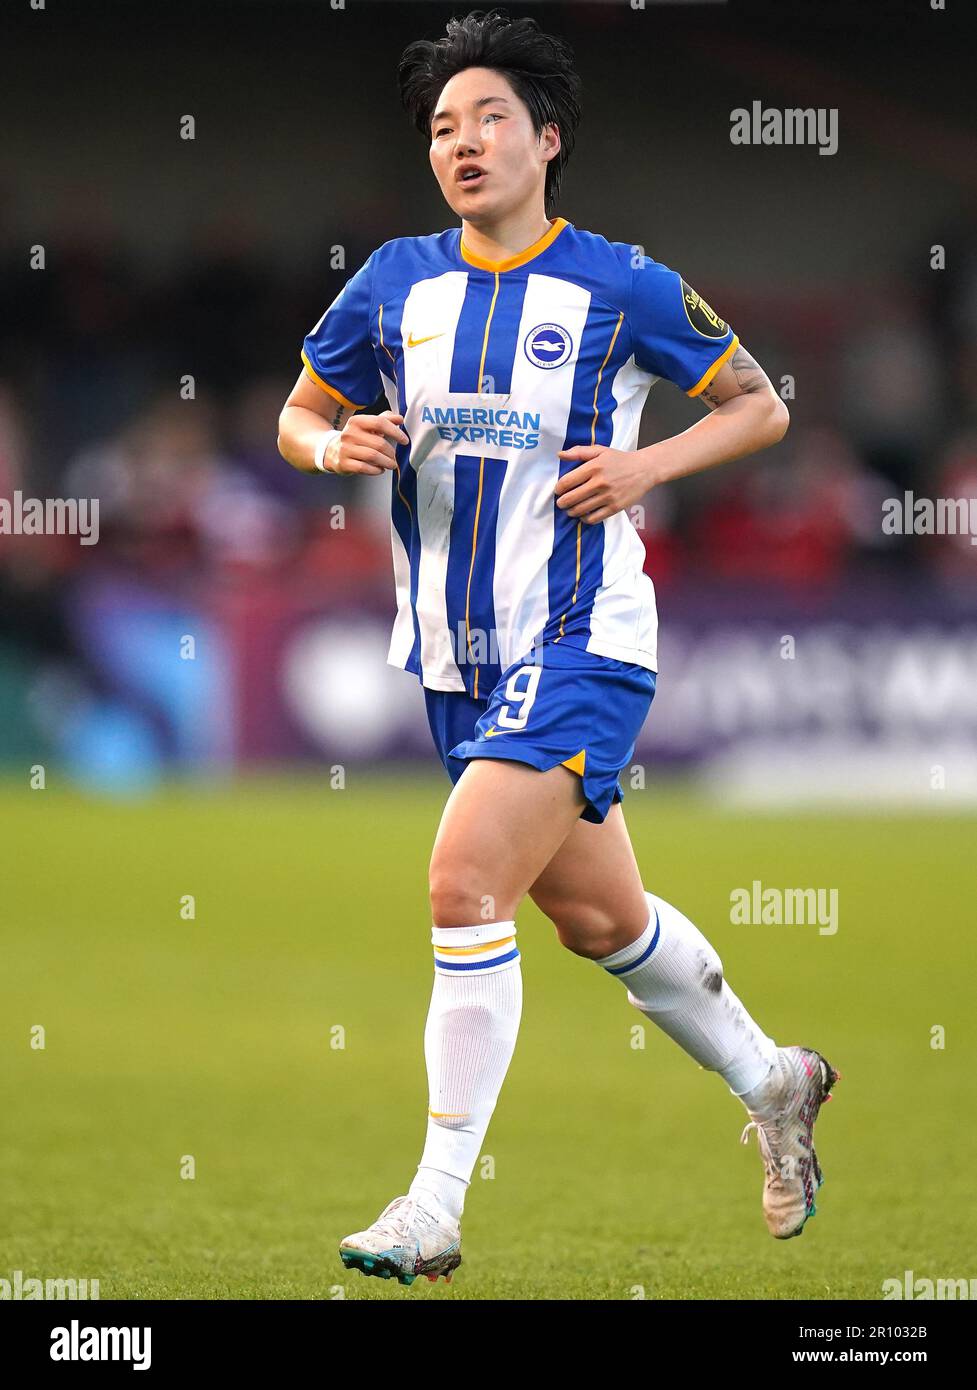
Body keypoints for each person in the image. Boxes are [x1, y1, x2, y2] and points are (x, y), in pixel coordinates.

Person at [277, 7, 839, 1288]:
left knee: (461, 883)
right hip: (454, 660)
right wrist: (335, 445)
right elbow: (296, 415)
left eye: (486, 119)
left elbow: (758, 403)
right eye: (438, 127)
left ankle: (430, 1206)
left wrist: (645, 462)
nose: (460, 143)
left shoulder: (621, 283)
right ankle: (775, 1080)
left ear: (546, 140)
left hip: (584, 637)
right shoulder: (391, 285)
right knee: (599, 919)